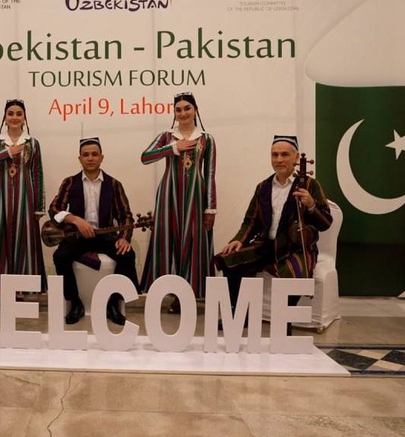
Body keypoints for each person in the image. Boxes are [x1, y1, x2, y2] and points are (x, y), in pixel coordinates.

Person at [214, 135, 334, 334]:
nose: (279, 159)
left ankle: (284, 321)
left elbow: (326, 223)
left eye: (284, 154)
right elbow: (250, 221)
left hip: (294, 247)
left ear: (296, 158)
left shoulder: (310, 185)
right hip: (266, 245)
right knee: (229, 260)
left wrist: (312, 205)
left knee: (294, 272)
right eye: (274, 155)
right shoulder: (263, 187)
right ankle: (240, 314)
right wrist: (238, 240)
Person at [48, 138, 140, 325]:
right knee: (60, 256)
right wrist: (75, 220)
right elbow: (54, 209)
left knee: (127, 255)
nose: (90, 158)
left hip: (105, 236)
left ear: (101, 157)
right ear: (80, 158)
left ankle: (113, 303)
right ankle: (75, 302)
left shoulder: (114, 184)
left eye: (94, 154)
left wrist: (124, 238)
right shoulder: (70, 182)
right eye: (86, 155)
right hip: (77, 237)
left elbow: (126, 216)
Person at [140, 92, 217, 305]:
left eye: (187, 108)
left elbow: (210, 173)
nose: (183, 113)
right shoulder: (167, 137)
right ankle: (167, 291)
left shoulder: (206, 139)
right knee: (168, 239)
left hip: (196, 197)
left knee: (194, 240)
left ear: (195, 110)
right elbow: (145, 157)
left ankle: (189, 294)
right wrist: (174, 148)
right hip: (168, 195)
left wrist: (211, 208)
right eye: (178, 110)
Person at [0, 99, 46, 284]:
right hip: (1, 197)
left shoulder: (33, 143)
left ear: (24, 118)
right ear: (5, 118)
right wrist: (7, 153)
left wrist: (39, 206)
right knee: (0, 238)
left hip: (26, 198)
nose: (14, 117)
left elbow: (37, 173)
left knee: (26, 240)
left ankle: (25, 287)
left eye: (19, 114)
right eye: (11, 113)